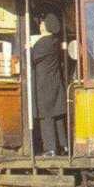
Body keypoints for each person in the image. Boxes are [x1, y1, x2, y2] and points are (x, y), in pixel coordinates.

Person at [31, 13, 67, 156]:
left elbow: (31, 58)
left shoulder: (42, 43)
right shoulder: (55, 41)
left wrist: (28, 47)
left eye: (42, 23)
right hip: (56, 84)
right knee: (57, 116)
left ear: (47, 26)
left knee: (45, 117)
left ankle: (50, 149)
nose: (40, 25)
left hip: (44, 86)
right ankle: (64, 146)